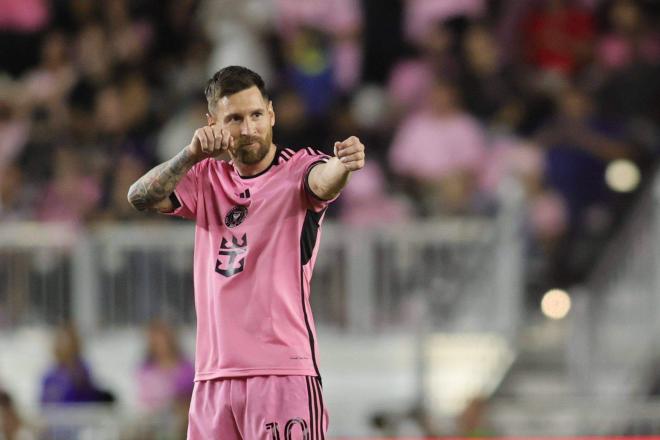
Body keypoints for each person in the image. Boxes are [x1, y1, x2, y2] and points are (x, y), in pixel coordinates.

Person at [127, 65, 365, 439]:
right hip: (213, 379)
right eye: (235, 118)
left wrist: (343, 165)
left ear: (271, 113)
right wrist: (190, 154)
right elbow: (139, 197)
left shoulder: (298, 169)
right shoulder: (206, 178)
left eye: (256, 114)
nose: (249, 127)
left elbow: (324, 181)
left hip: (281, 374)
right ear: (213, 124)